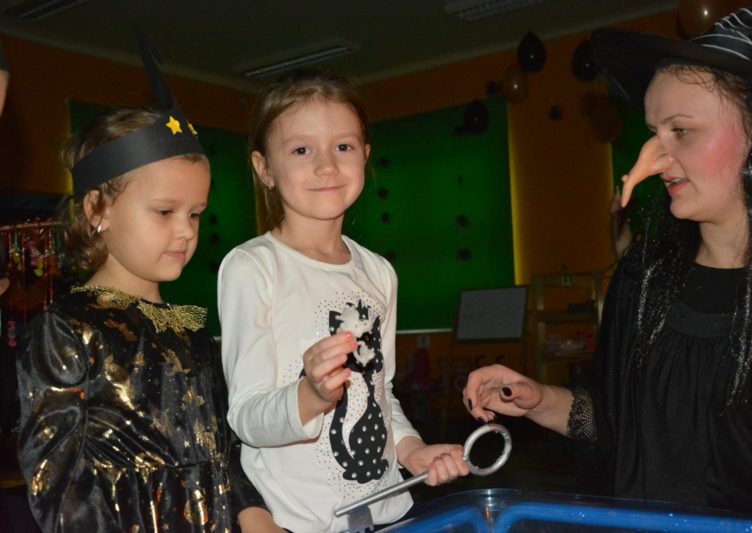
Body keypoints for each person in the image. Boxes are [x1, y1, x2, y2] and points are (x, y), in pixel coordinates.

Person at [463, 0, 752, 516]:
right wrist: (540, 399)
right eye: (652, 132)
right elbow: (612, 421)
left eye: (681, 130)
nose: (652, 159)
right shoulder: (646, 279)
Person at [16, 35, 279, 532]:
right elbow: (58, 485)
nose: (186, 231)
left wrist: (255, 514)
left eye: (195, 214)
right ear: (98, 209)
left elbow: (222, 448)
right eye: (164, 211)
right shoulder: (67, 330)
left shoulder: (190, 327)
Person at [218, 69, 469, 532]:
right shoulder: (252, 267)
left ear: (365, 156)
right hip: (300, 521)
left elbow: (380, 391)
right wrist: (310, 395)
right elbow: (246, 417)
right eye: (301, 150)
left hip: (388, 512)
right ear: (264, 168)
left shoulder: (378, 272)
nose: (326, 166)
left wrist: (411, 449)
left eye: (343, 146)